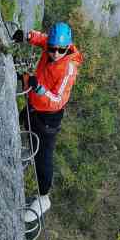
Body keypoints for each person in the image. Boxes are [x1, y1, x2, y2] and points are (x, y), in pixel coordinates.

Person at [12, 22, 84, 223]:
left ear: (68, 47)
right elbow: (44, 39)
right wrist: (27, 36)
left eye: (60, 49)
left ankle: (44, 198)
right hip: (35, 105)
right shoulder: (52, 45)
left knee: (43, 158)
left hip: (49, 117)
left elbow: (58, 100)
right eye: (52, 48)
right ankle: (19, 155)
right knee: (21, 122)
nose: (54, 53)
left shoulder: (68, 68)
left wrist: (40, 89)